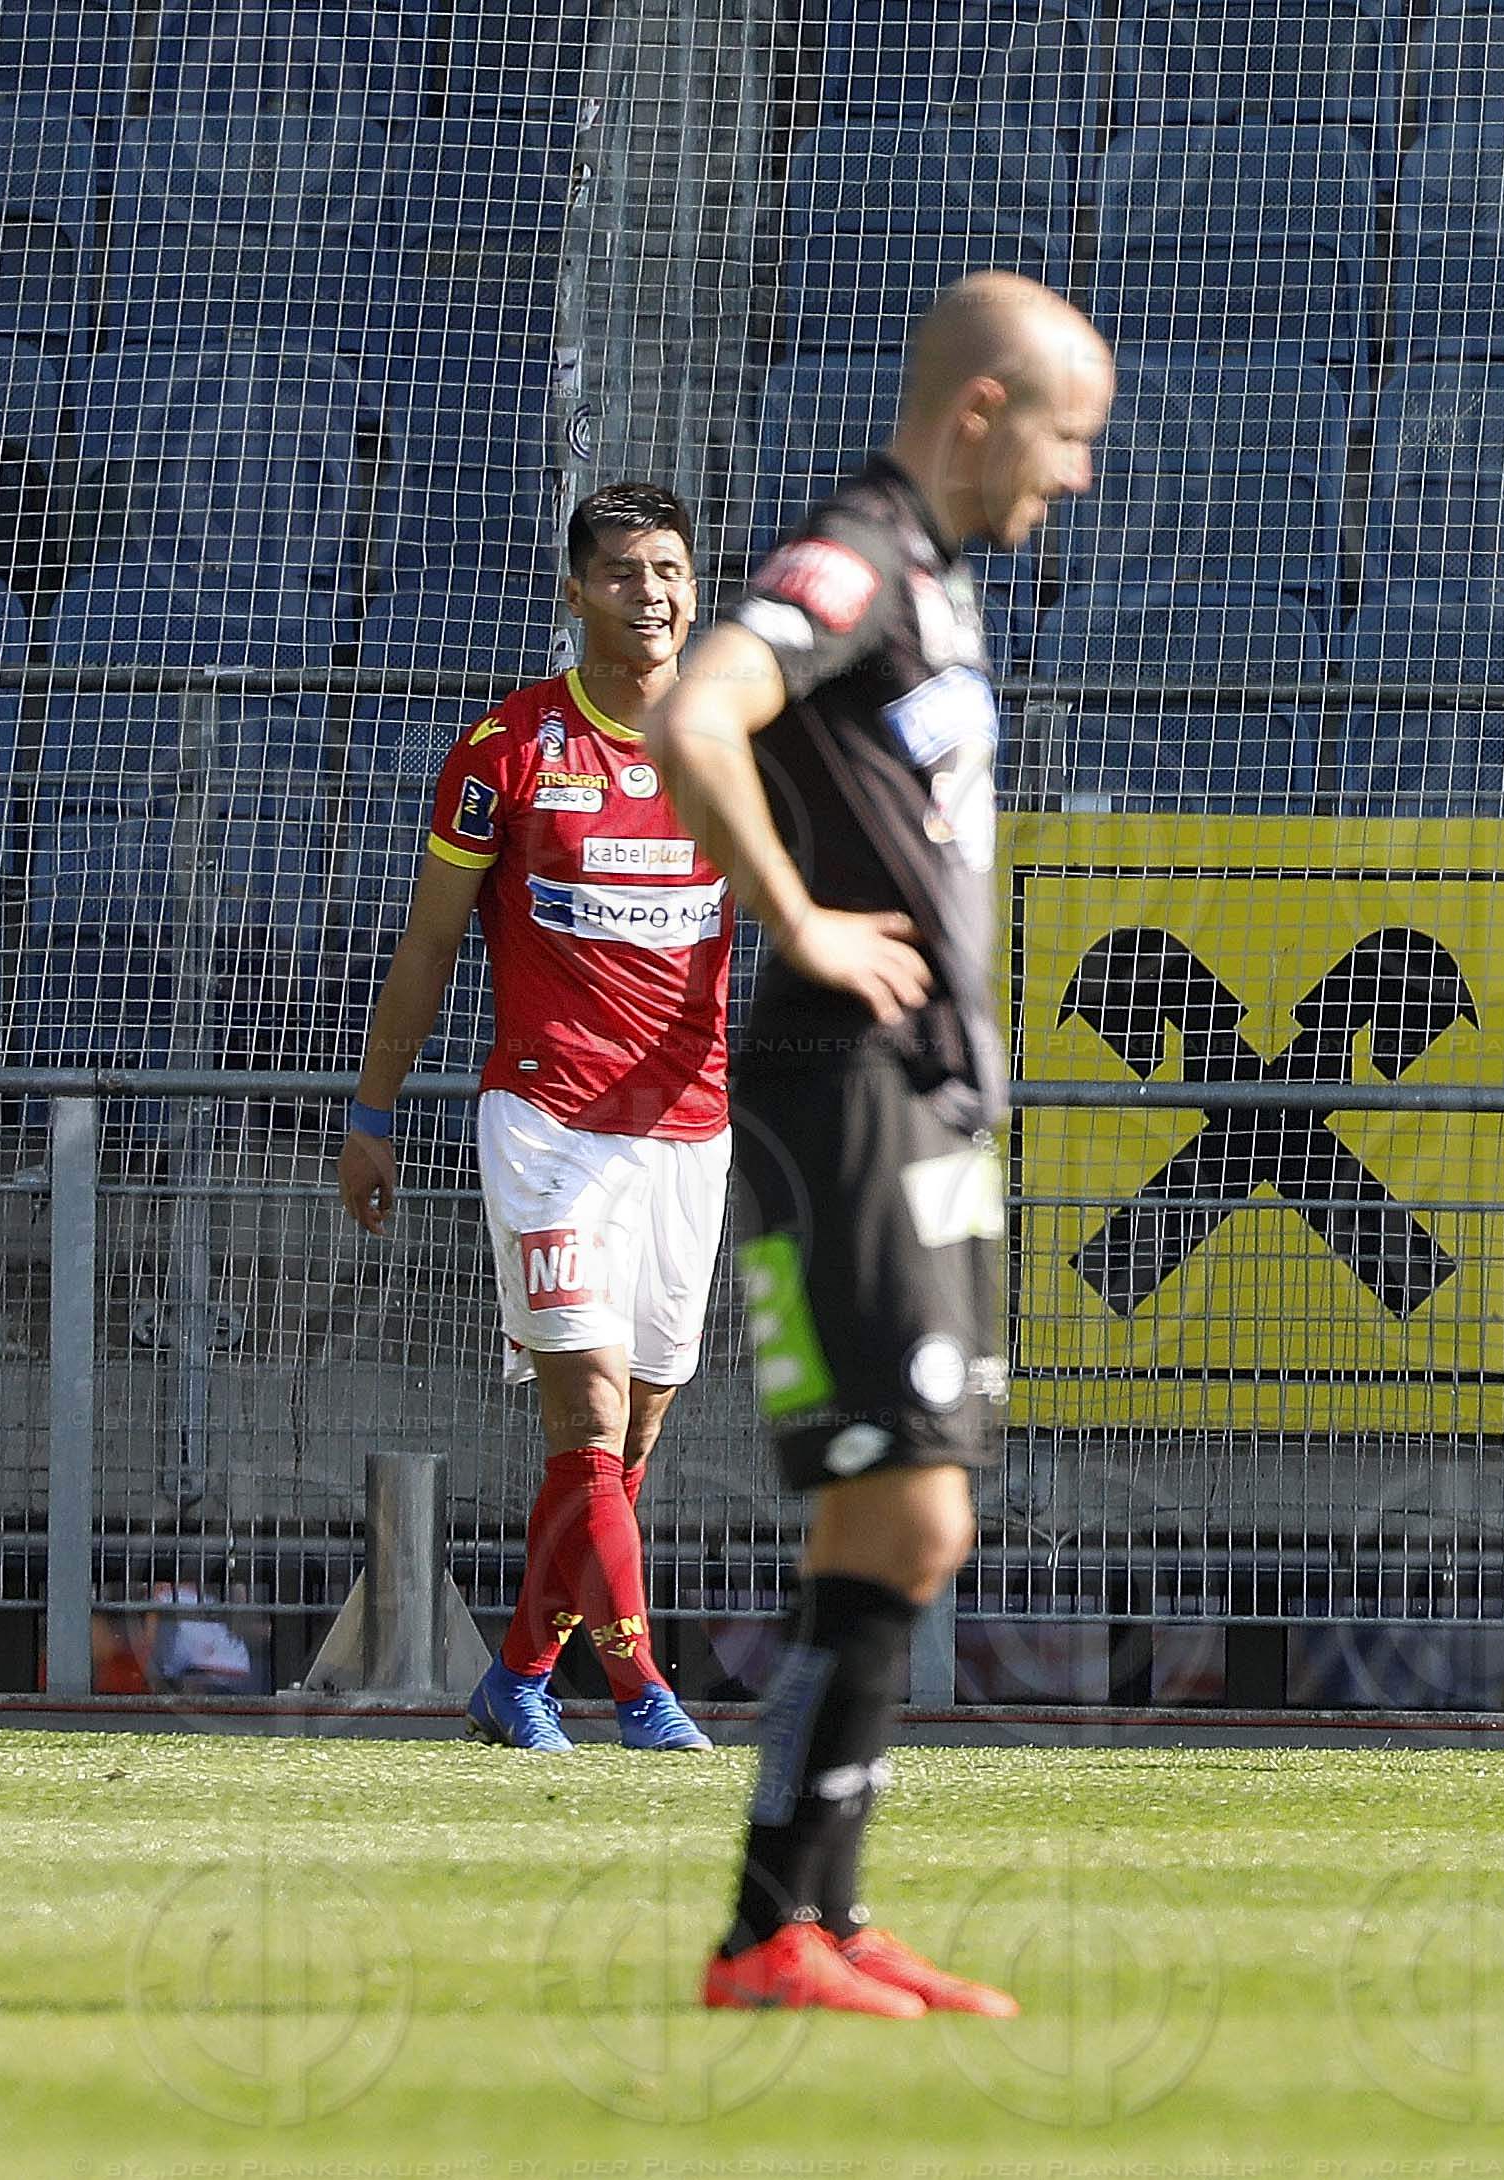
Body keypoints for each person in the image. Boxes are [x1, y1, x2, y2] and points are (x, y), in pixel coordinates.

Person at [643, 270, 1112, 2015]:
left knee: (899, 1522)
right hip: (840, 1082)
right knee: (903, 1508)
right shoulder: (853, 556)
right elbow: (700, 713)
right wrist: (805, 924)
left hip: (918, 1092)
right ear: (980, 408)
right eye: (1065, 439)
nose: (1073, 479)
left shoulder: (935, 581)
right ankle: (775, 1926)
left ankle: (803, 1925)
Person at [340, 482, 728, 1756]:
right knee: (590, 1422)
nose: (653, 593)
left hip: (690, 1125)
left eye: (669, 568)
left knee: (635, 1436)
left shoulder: (733, 746)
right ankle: (642, 1693)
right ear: (575, 593)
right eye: (623, 572)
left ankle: (517, 1676)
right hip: (549, 1124)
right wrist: (374, 1107)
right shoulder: (507, 750)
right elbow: (433, 939)